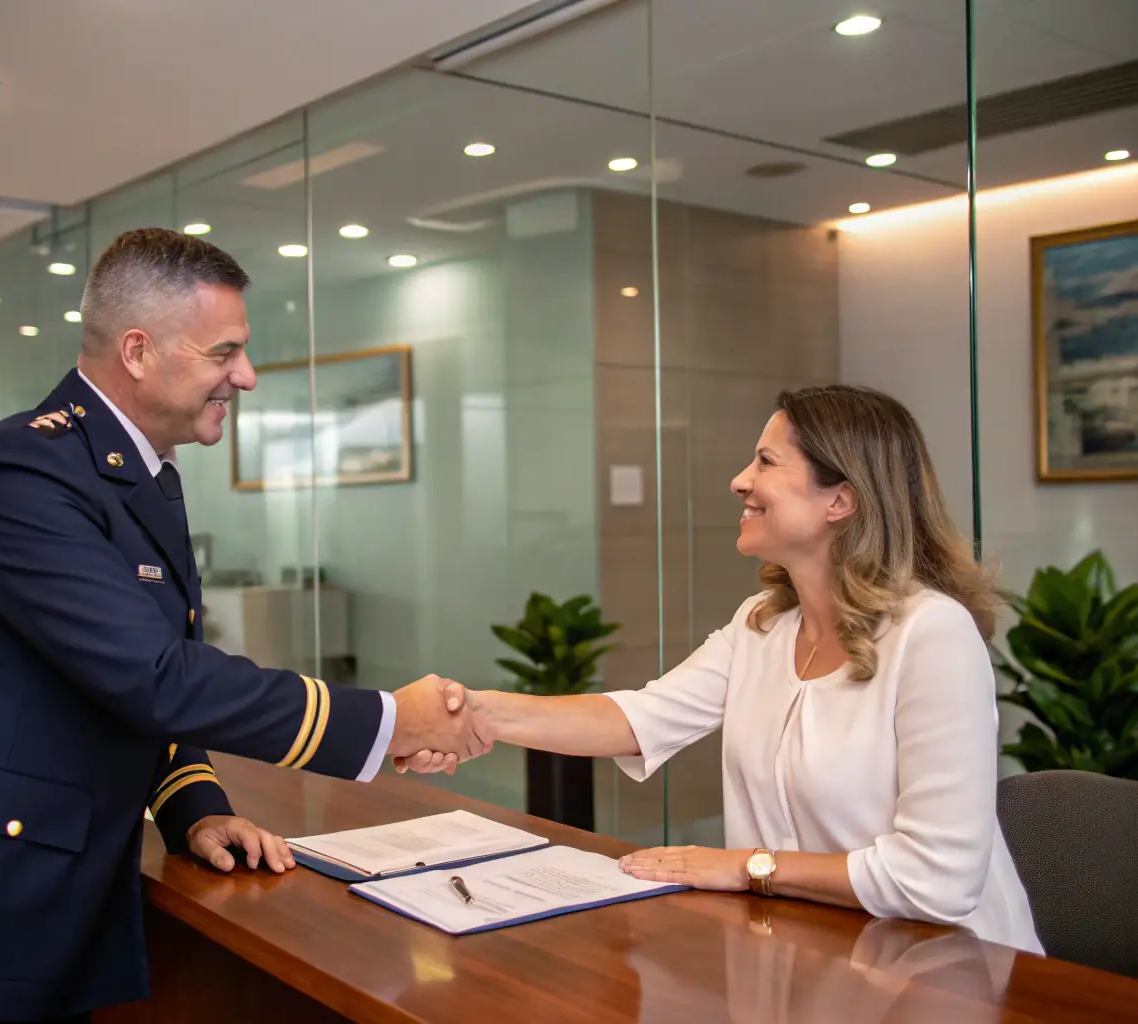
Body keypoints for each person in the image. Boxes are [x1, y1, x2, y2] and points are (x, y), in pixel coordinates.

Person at [0, 227, 479, 1023]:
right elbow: (154, 678)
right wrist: (391, 721)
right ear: (137, 350)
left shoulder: (135, 476)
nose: (247, 376)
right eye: (223, 353)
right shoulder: (19, 471)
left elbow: (129, 677)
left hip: (38, 904)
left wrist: (194, 806)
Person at [398, 384, 1044, 954]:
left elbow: (935, 879)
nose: (739, 480)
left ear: (839, 500)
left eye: (764, 461)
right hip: (809, 951)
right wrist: (469, 712)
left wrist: (743, 867)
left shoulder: (932, 636)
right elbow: (635, 719)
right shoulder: (760, 625)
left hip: (951, 972)